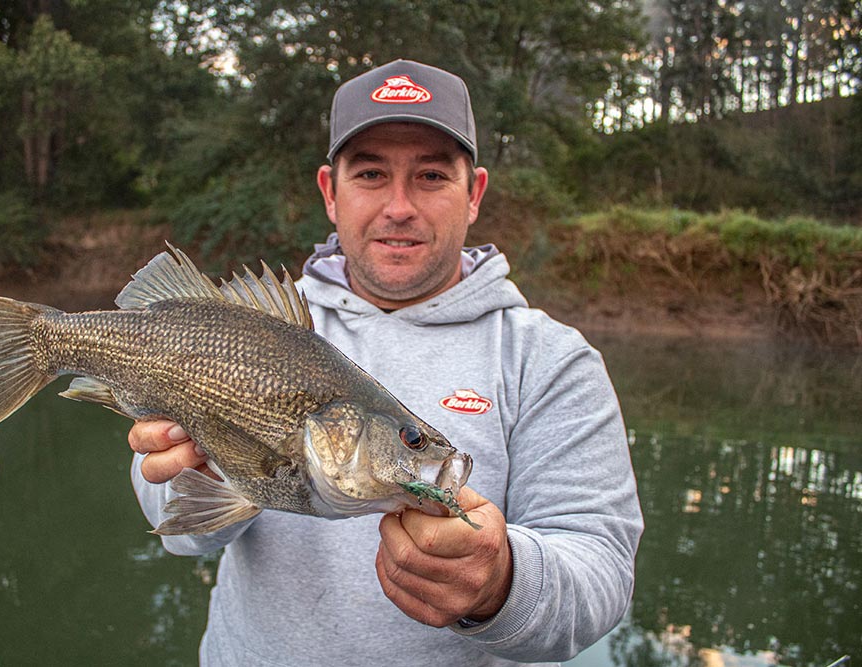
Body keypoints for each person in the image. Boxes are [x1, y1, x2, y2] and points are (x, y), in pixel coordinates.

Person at [127, 59, 643, 666]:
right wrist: (203, 469)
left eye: (430, 175)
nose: (399, 206)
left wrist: (501, 582)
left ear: (473, 193)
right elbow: (180, 531)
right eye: (371, 174)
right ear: (330, 192)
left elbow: (601, 573)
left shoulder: (551, 361)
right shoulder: (253, 331)